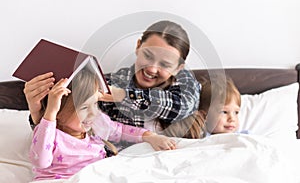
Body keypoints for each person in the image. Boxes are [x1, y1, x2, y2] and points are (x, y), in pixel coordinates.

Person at [24, 20, 201, 133]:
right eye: (148, 56)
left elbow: (182, 106)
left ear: (178, 67)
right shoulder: (112, 82)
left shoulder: (185, 81)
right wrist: (36, 111)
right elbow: (65, 130)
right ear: (138, 46)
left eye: (164, 64)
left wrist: (124, 96)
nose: (152, 69)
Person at [29, 67, 176, 181]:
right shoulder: (49, 134)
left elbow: (121, 131)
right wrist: (50, 114)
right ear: (58, 110)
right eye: (85, 107)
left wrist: (150, 136)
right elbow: (41, 161)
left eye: (95, 104)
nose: (93, 113)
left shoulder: (96, 123)